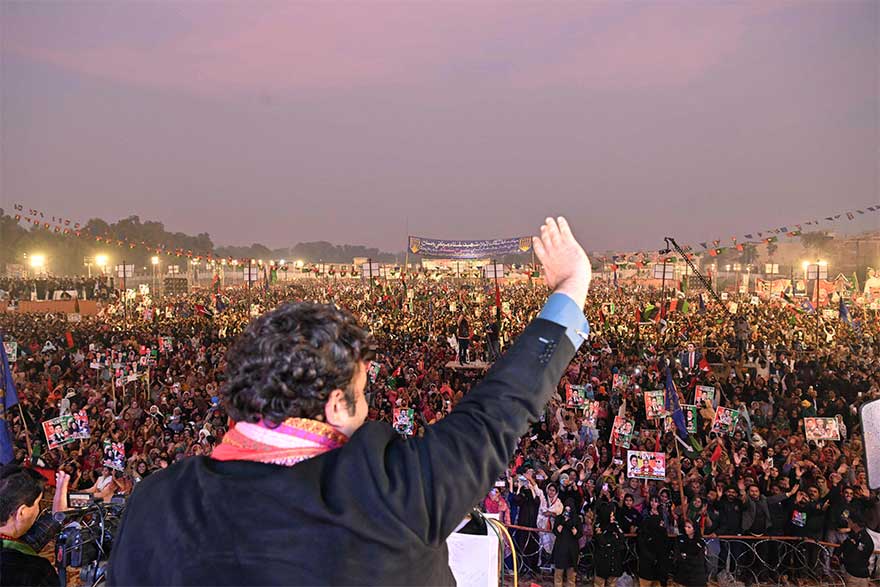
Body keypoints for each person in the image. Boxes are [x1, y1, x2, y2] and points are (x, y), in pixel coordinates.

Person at [108, 217, 592, 585]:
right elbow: (498, 409)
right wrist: (571, 285)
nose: (368, 408)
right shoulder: (391, 492)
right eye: (362, 392)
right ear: (336, 404)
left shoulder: (153, 503)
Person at [1, 466, 70, 587]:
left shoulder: (9, 543)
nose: (39, 508)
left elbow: (28, 542)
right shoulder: (36, 572)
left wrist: (58, 515)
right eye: (38, 503)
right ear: (22, 512)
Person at [638, 495, 669, 587]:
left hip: (660, 548)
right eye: (651, 501)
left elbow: (665, 530)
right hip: (648, 546)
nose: (653, 503)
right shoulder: (645, 513)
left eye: (655, 501)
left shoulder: (663, 513)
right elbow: (642, 530)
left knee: (659, 574)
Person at [837, 514, 873, 587]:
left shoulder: (864, 539)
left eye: (849, 520)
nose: (848, 522)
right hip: (850, 573)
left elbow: (856, 558)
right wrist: (836, 555)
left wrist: (841, 560)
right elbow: (844, 544)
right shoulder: (853, 534)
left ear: (855, 523)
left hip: (858, 577)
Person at [552, 499, 581, 587]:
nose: (567, 512)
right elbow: (555, 532)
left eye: (569, 510)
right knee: (558, 577)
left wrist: (571, 527)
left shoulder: (577, 520)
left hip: (572, 551)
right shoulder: (559, 518)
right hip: (560, 549)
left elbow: (579, 534)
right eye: (566, 509)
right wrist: (561, 525)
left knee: (571, 579)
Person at [673, 519, 708, 587]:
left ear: (694, 529)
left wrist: (687, 557)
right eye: (685, 526)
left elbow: (700, 559)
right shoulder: (680, 539)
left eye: (689, 527)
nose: (686, 528)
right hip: (683, 571)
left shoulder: (700, 542)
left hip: (696, 573)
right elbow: (677, 555)